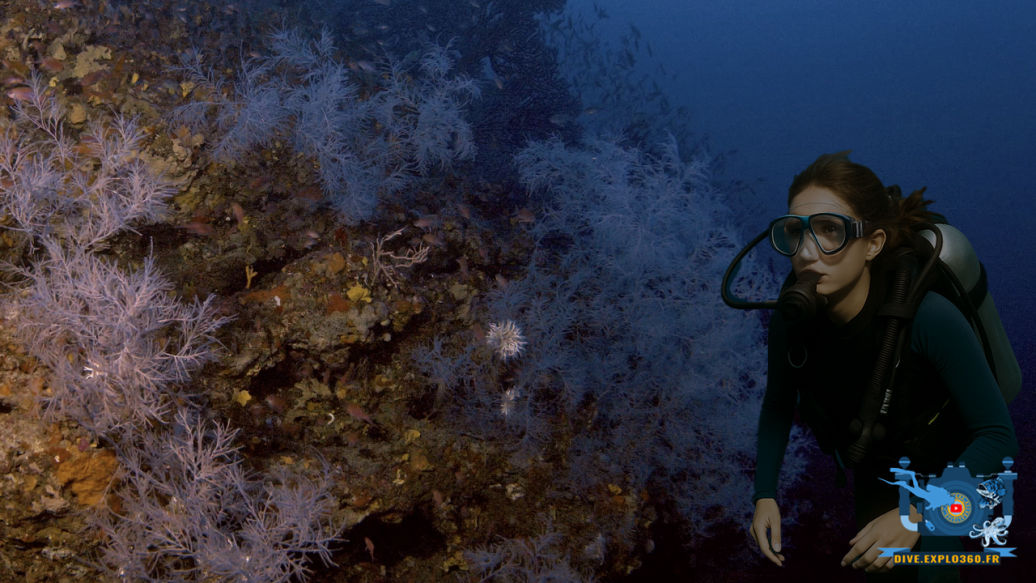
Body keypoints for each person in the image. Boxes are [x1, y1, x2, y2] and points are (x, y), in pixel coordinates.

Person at [747, 152, 1018, 581]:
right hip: (880, 465)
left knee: (933, 565)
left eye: (830, 230)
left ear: (872, 244)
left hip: (957, 467)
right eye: (795, 233)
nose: (806, 251)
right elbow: (779, 404)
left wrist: (917, 516)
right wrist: (765, 495)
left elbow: (998, 437)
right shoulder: (791, 320)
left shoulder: (928, 318)